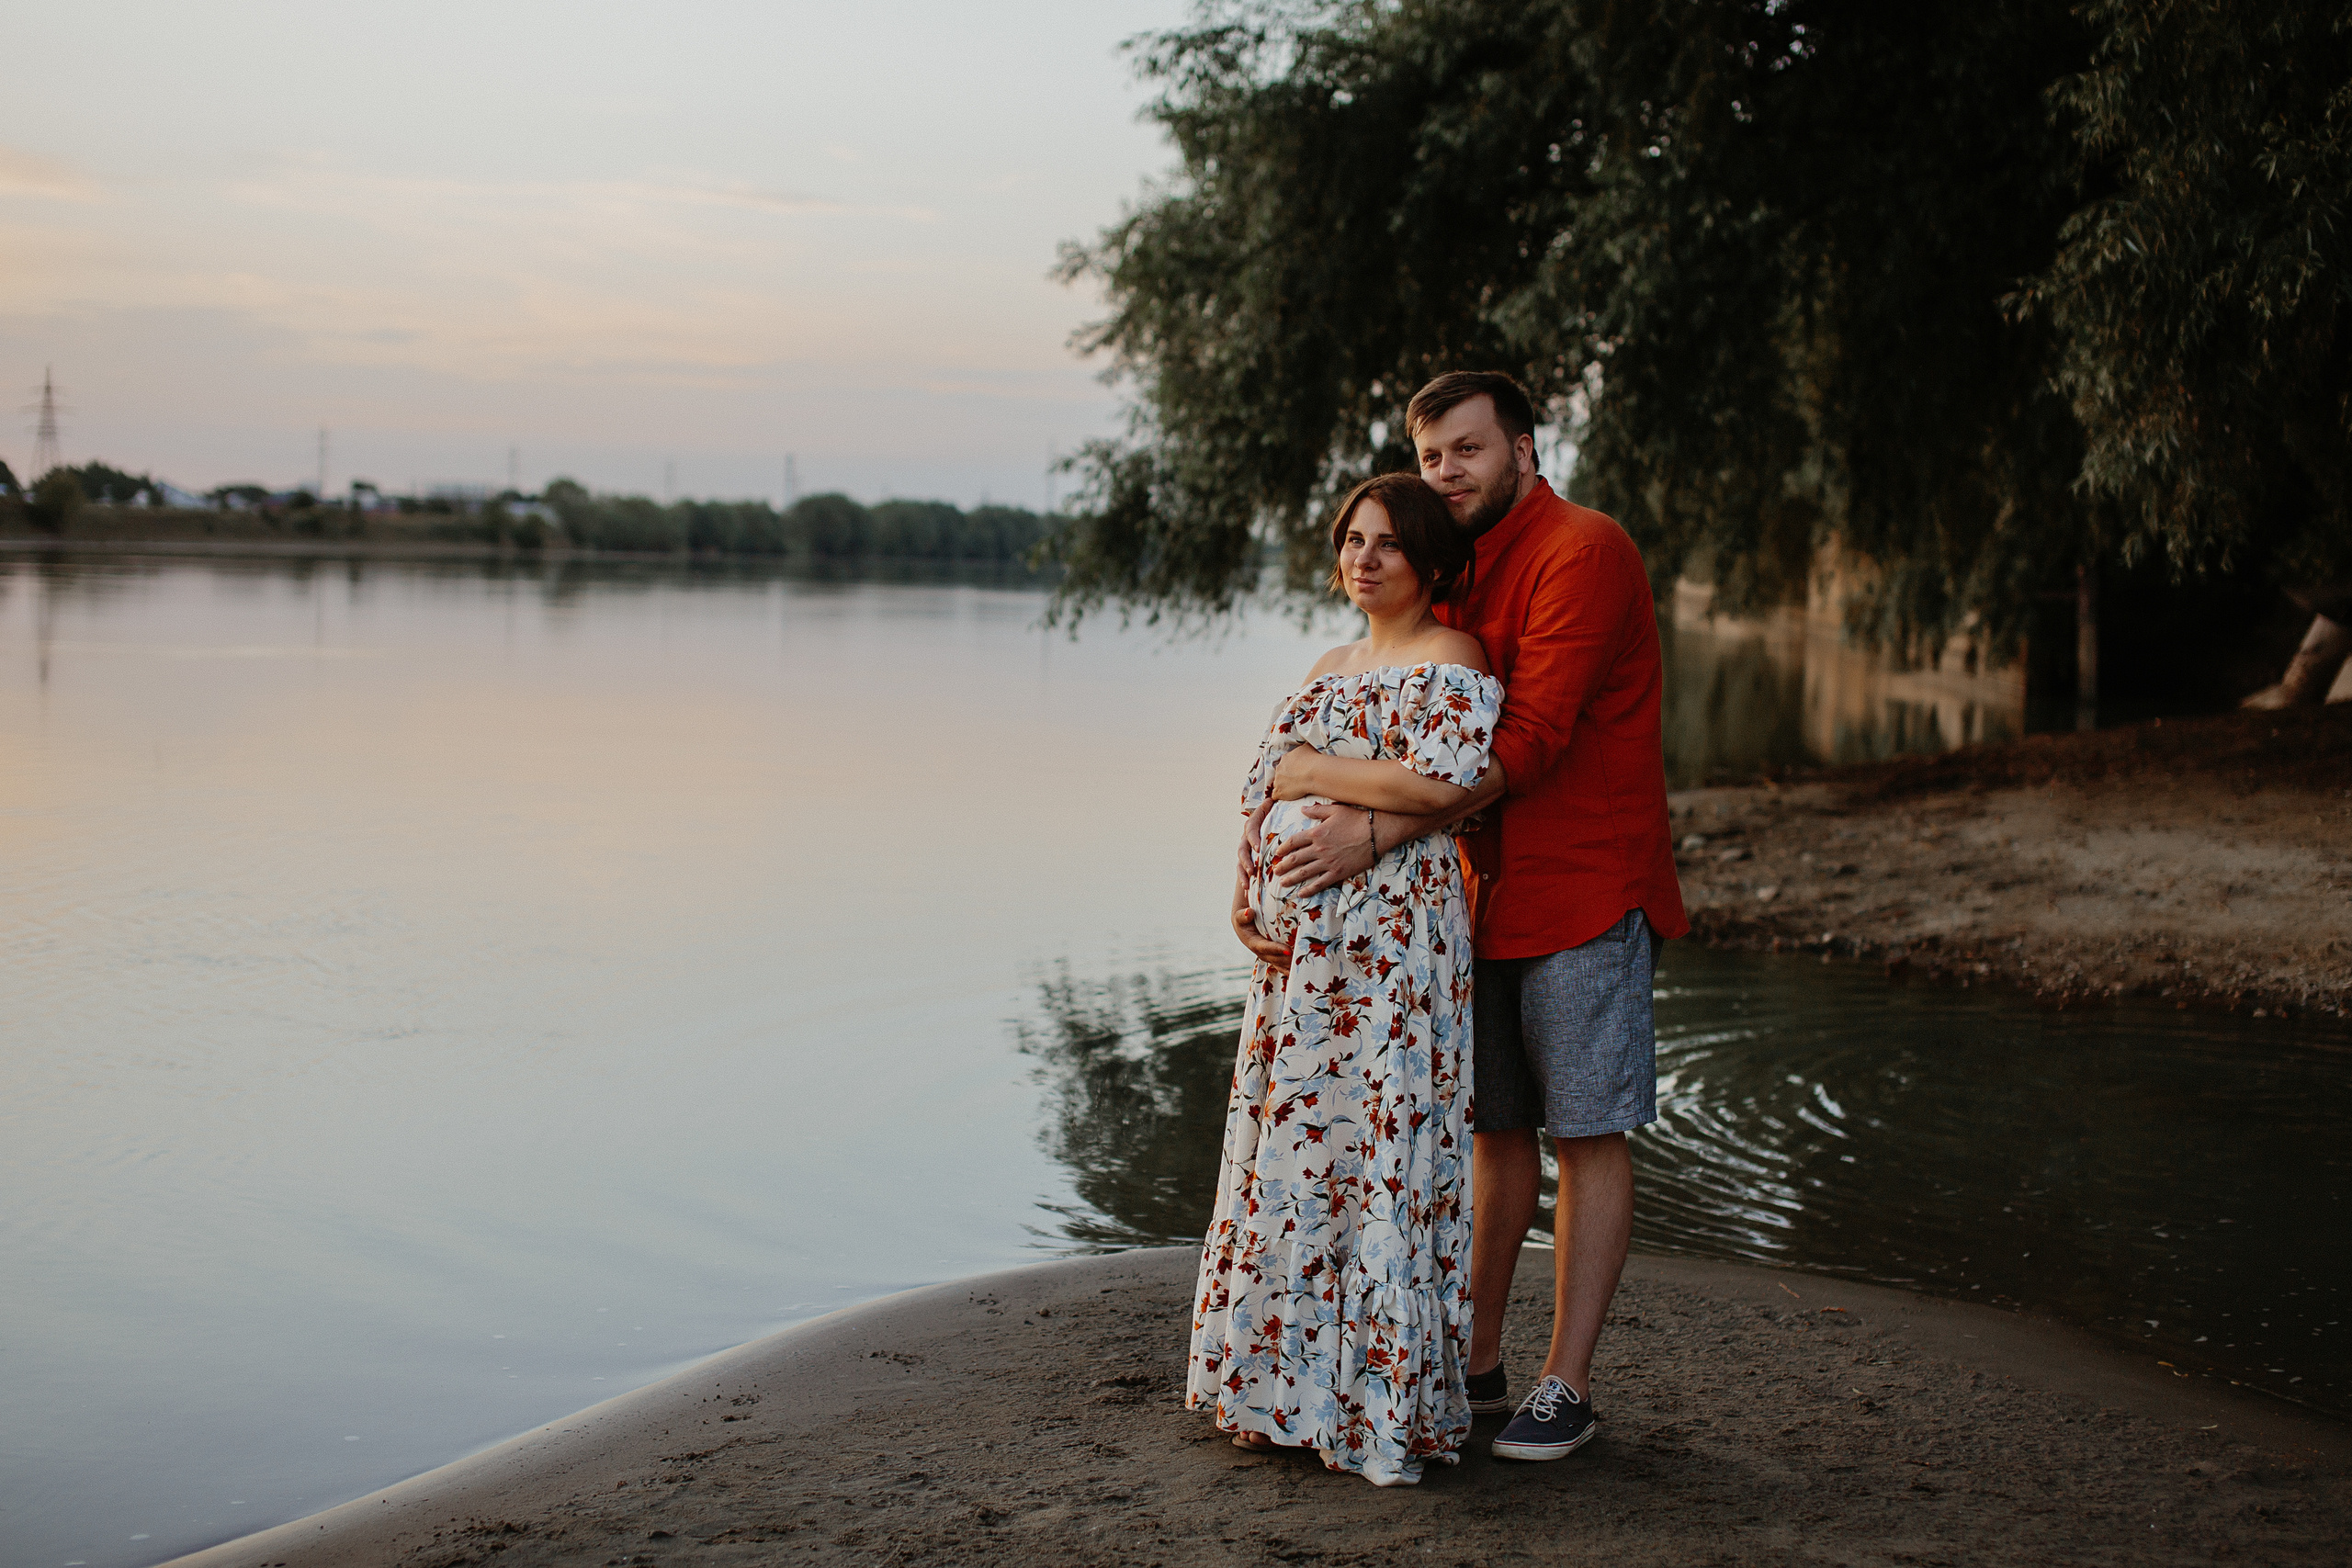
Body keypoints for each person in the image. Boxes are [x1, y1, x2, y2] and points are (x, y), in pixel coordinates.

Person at [1237, 370, 1688, 1464]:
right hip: (1469, 900)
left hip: (1582, 885)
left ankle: (1563, 1384)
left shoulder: (1582, 550)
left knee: (1585, 1129)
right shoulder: (1462, 567)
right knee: (1491, 1130)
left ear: (1524, 451)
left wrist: (1371, 830)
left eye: (1467, 451)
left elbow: (1523, 743)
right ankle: (1474, 1360)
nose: (1448, 471)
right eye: (1432, 456)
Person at [1187, 472, 1502, 1487]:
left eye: (1388, 545)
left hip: (1393, 956)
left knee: (1377, 1153)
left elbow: (1443, 784)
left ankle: (1375, 1403)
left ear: (1429, 562)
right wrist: (1241, 890)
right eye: (1352, 541)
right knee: (1295, 1162)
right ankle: (1276, 1391)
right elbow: (1255, 793)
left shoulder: (1454, 658)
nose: (1363, 559)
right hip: (1299, 973)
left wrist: (1312, 773)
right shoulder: (1326, 665)